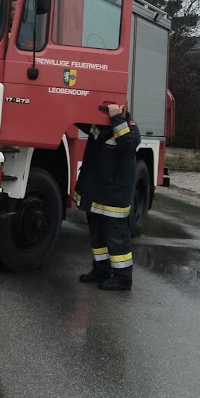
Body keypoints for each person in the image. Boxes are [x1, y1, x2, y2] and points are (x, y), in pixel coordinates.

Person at [75, 103, 141, 292]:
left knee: (117, 238)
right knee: (97, 236)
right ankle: (101, 269)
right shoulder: (99, 126)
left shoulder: (129, 126)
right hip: (96, 194)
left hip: (114, 195)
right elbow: (77, 118)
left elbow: (128, 143)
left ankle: (122, 278)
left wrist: (117, 118)